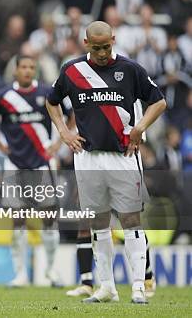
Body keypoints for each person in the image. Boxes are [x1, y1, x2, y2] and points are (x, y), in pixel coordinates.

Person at [46, 21, 166, 304]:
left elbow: (158, 102)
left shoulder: (130, 69)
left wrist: (140, 128)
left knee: (130, 219)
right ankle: (107, 287)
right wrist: (64, 132)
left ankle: (138, 285)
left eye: (107, 47)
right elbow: (52, 101)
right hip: (88, 157)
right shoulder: (72, 71)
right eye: (97, 48)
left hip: (122, 155)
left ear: (113, 40)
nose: (102, 53)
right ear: (87, 43)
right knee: (98, 222)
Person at [0, 55, 64, 287]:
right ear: (16, 71)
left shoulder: (48, 93)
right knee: (18, 220)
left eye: (31, 67)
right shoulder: (3, 96)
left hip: (43, 163)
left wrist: (58, 144)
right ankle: (21, 274)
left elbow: (70, 115)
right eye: (24, 67)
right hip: (15, 163)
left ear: (35, 71)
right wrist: (0, 145)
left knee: (49, 218)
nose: (28, 71)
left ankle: (51, 271)